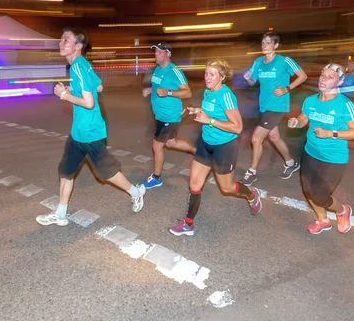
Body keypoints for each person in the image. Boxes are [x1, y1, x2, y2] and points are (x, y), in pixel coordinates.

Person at [36, 27, 146, 226]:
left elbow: (89, 103)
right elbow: (99, 86)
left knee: (107, 173)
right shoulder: (81, 65)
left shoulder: (78, 66)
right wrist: (75, 89)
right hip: (78, 132)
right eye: (61, 39)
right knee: (66, 171)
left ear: (78, 46)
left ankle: (136, 192)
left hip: (90, 133)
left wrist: (64, 95)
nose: (61, 43)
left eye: (66, 40)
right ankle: (60, 214)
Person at [169, 59, 262, 236]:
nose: (207, 77)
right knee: (194, 185)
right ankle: (188, 224)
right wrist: (196, 111)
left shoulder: (225, 95)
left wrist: (209, 120)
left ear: (222, 77)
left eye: (212, 74)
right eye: (206, 73)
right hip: (206, 143)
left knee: (226, 188)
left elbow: (237, 127)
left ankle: (251, 195)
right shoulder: (208, 92)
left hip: (224, 147)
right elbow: (210, 113)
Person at [287, 63, 354, 234]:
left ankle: (342, 211)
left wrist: (331, 133)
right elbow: (303, 118)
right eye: (323, 75)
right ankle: (323, 219)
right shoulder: (310, 100)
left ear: (339, 82)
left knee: (320, 196)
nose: (324, 79)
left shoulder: (345, 105)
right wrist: (296, 122)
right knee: (308, 191)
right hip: (310, 153)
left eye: (330, 77)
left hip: (334, 158)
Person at [241, 32, 308, 186]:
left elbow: (302, 76)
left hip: (278, 106)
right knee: (274, 137)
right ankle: (291, 163)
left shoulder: (285, 61)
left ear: (276, 45)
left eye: (268, 42)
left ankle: (251, 172)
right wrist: (248, 79)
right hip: (264, 105)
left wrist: (287, 88)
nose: (264, 45)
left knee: (256, 139)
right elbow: (252, 82)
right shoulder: (258, 61)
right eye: (263, 42)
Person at [140, 41, 196, 189]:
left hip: (169, 117)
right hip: (160, 116)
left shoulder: (175, 72)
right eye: (155, 52)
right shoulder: (157, 70)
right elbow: (158, 87)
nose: (156, 54)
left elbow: (187, 92)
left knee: (156, 147)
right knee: (171, 143)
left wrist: (168, 92)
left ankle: (157, 177)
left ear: (168, 54)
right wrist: (150, 90)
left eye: (160, 52)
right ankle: (198, 152)